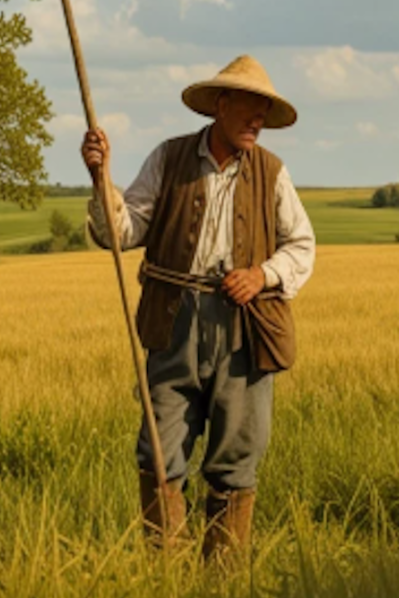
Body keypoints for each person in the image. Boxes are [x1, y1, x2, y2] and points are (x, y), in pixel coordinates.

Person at [81, 55, 315, 561]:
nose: (257, 122)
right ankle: (168, 574)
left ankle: (222, 581)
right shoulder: (168, 159)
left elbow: (301, 246)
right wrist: (101, 180)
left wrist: (261, 276)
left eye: (264, 115)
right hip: (174, 322)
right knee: (158, 454)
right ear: (221, 105)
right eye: (251, 110)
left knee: (237, 457)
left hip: (244, 329)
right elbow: (120, 233)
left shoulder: (272, 172)